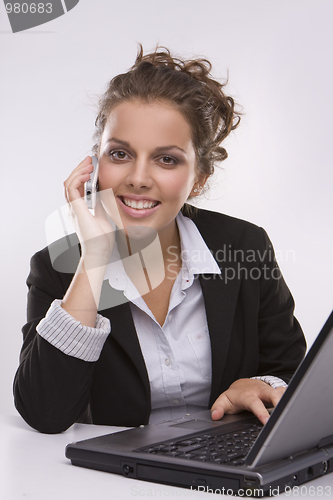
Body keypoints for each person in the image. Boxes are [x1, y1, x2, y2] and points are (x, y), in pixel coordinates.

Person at [13, 46, 306, 434]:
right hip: (112, 485)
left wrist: (261, 386)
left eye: (166, 159)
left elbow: (290, 369)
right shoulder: (56, 268)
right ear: (94, 167)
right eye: (119, 154)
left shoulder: (244, 245)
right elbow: (45, 414)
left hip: (228, 476)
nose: (138, 177)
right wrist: (95, 259)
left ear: (198, 178)